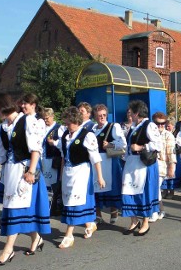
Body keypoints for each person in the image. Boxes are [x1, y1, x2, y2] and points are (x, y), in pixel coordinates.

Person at [0, 93, 50, 265]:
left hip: (24, 170)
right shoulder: (3, 127)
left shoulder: (28, 121)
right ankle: (36, 238)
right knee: (15, 208)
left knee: (15, 209)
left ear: (2, 107)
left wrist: (31, 172)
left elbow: (35, 149)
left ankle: (8, 250)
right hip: (10, 171)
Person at [57, 107, 106, 248]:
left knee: (74, 202)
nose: (66, 126)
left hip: (81, 172)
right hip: (68, 172)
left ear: (75, 121)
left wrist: (100, 177)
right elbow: (62, 157)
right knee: (69, 200)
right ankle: (90, 224)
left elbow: (96, 158)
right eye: (65, 123)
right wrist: (61, 175)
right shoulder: (66, 135)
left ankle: (68, 235)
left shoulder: (87, 135)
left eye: (68, 123)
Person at [120, 100, 161, 236]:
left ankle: (145, 222)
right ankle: (134, 220)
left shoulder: (150, 125)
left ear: (137, 113)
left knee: (143, 193)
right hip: (132, 163)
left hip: (144, 164)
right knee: (128, 191)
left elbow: (158, 145)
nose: (129, 115)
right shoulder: (134, 127)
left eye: (131, 112)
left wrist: (141, 147)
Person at [92, 104, 126, 225]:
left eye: (104, 115)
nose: (101, 117)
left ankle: (114, 210)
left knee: (113, 186)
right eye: (99, 115)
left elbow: (123, 143)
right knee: (96, 187)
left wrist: (110, 145)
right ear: (95, 116)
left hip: (110, 160)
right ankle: (98, 214)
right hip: (97, 162)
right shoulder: (93, 129)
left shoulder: (113, 126)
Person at [152, 111, 175, 221]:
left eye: (163, 123)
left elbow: (171, 152)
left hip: (161, 166)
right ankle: (161, 209)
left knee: (155, 189)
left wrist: (171, 167)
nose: (160, 126)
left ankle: (156, 211)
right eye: (158, 123)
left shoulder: (168, 135)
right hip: (150, 164)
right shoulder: (150, 133)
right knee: (153, 189)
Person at [42, 108, 64, 216]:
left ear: (52, 116)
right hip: (43, 160)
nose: (45, 121)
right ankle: (46, 207)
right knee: (45, 185)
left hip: (54, 160)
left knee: (54, 184)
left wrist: (54, 142)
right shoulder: (42, 128)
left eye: (47, 118)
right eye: (44, 118)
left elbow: (64, 143)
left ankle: (54, 207)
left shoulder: (59, 128)